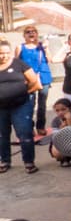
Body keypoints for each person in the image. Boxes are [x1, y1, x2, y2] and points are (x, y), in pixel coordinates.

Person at [0, 42, 41, 175]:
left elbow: (34, 81)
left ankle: (29, 162)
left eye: (6, 52)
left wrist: (24, 92)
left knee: (25, 133)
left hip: (21, 106)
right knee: (2, 135)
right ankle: (5, 161)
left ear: (11, 52)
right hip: (1, 108)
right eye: (1, 53)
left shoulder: (19, 64)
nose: (4, 56)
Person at [17, 28, 52, 139]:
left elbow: (50, 59)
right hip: (27, 78)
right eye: (28, 32)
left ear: (37, 34)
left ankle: (40, 126)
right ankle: (29, 127)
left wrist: (46, 49)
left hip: (43, 77)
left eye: (34, 32)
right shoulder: (20, 47)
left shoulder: (42, 46)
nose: (31, 33)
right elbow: (16, 63)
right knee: (29, 104)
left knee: (42, 105)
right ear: (24, 35)